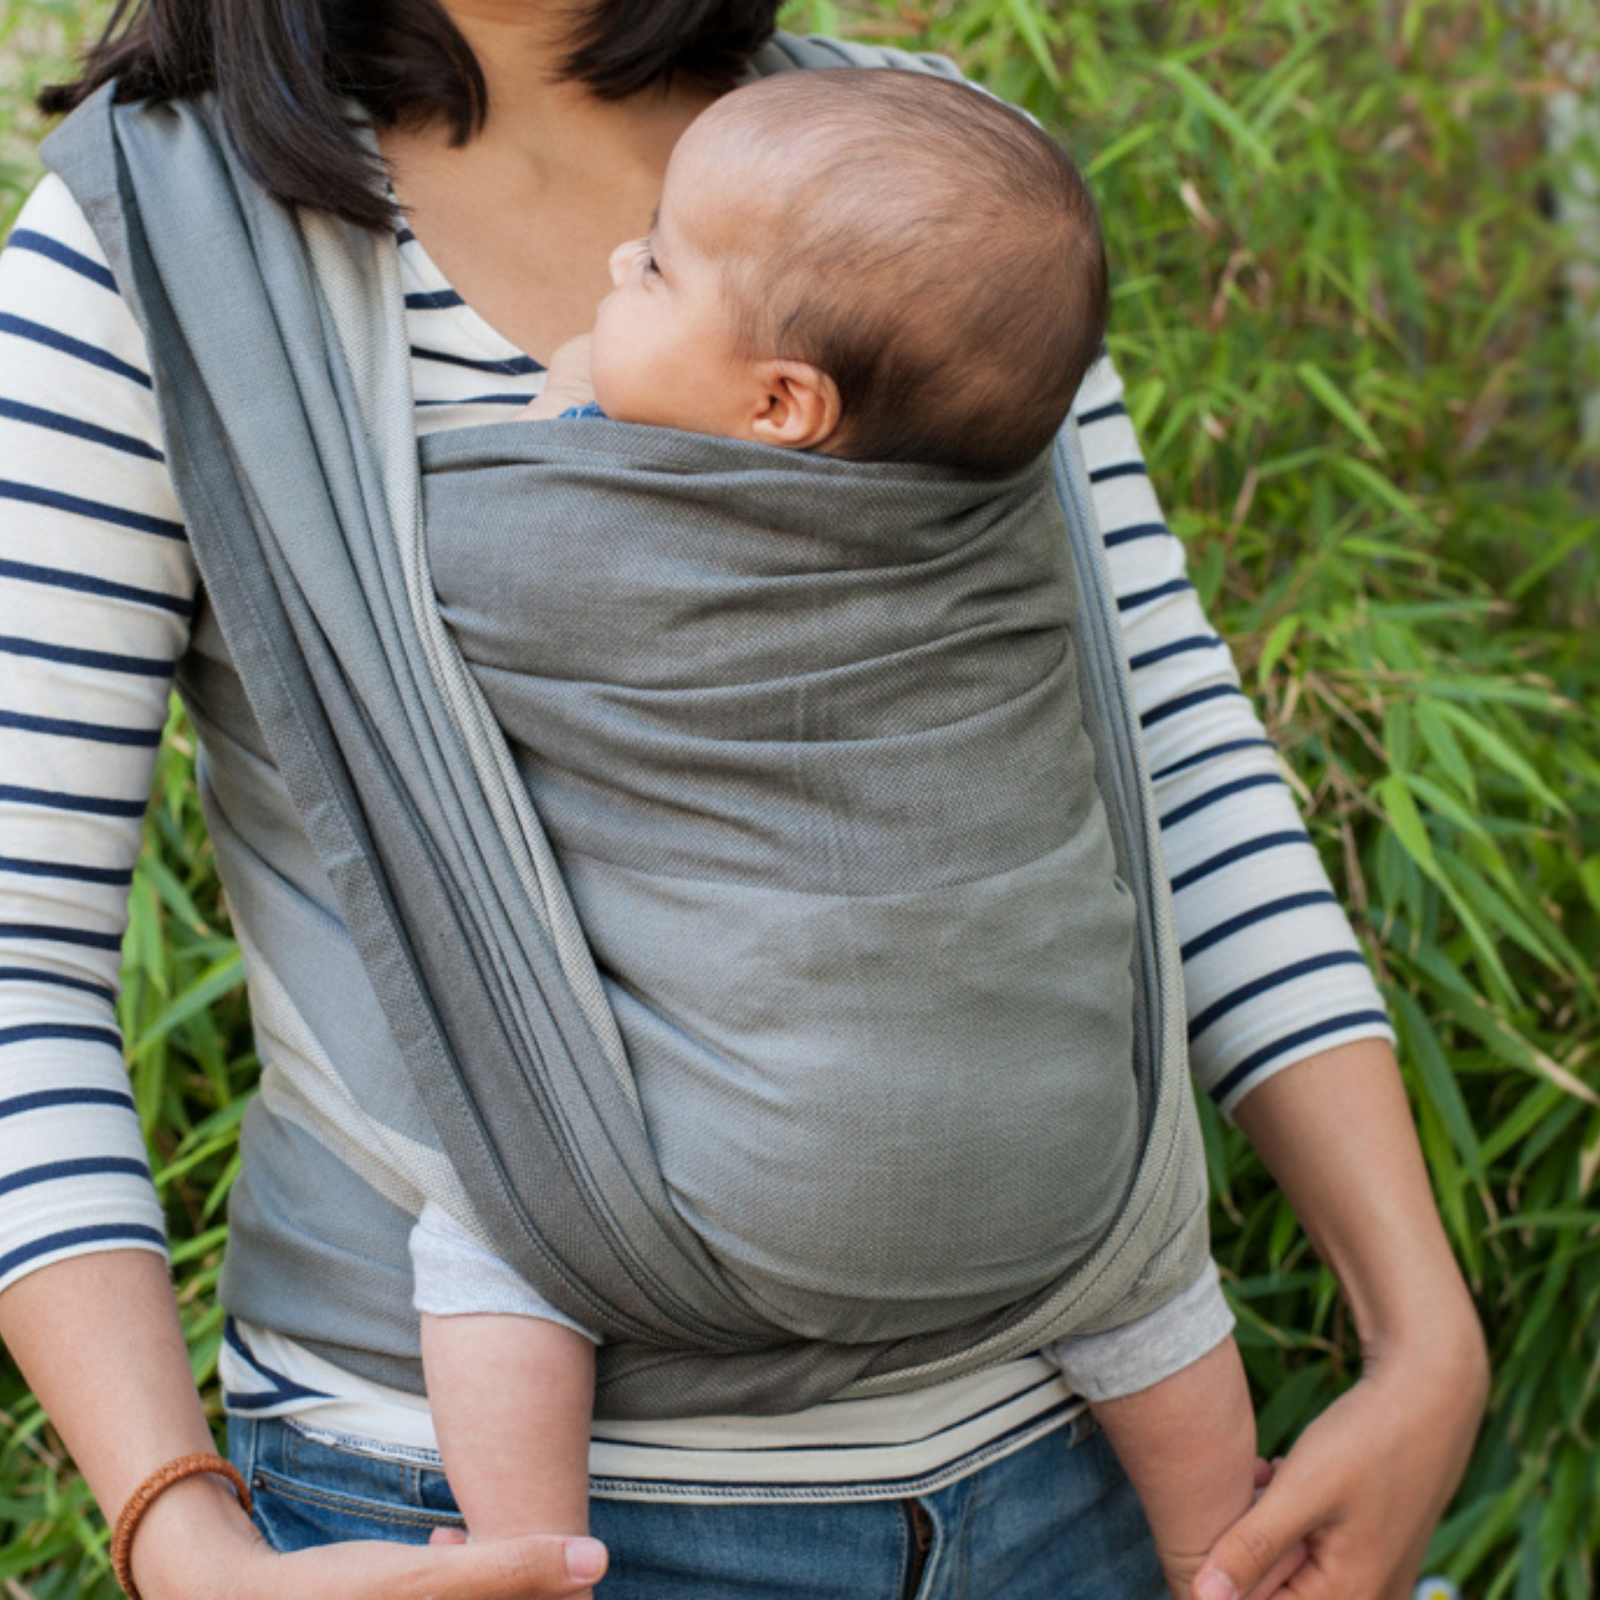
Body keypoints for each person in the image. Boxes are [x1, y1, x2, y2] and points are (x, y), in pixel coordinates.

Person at [0, 5, 1486, 1600]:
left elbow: (1163, 751)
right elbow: (19, 958)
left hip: (1068, 1464)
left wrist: (1423, 1331)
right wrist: (180, 1534)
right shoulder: (148, 241)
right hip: (458, 1516)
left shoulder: (920, 175)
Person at [411, 66, 1254, 1598]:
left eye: (656, 263)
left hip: (755, 1190)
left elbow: (430, 581)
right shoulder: (993, 506)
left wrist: (567, 402)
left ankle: (528, 1554)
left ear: (780, 407)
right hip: (1067, 1162)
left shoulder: (578, 534)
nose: (614, 267)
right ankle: (1220, 1549)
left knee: (490, 1234)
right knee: (1153, 1283)